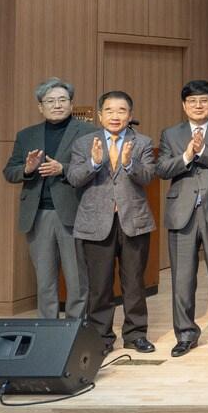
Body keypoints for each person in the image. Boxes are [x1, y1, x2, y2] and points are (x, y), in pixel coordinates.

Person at [66, 91, 156, 354]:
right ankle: (101, 338)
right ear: (100, 114)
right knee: (99, 285)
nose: (115, 116)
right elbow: (73, 177)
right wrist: (94, 162)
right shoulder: (84, 143)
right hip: (95, 223)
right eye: (110, 110)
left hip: (133, 222)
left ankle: (135, 334)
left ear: (130, 115)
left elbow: (149, 175)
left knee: (134, 283)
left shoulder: (142, 142)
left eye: (121, 111)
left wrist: (130, 165)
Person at [155, 80, 208, 356]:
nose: (198, 105)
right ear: (184, 105)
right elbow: (163, 169)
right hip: (182, 213)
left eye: (204, 101)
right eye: (192, 101)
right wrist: (188, 155)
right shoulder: (171, 133)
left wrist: (203, 152)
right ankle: (186, 334)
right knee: (182, 278)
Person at [3, 77, 95, 320]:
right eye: (51, 101)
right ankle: (48, 331)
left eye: (62, 100)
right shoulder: (26, 135)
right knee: (45, 280)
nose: (57, 105)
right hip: (38, 215)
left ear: (71, 104)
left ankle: (76, 330)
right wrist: (27, 168)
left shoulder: (89, 132)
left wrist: (63, 169)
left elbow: (94, 168)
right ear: (40, 107)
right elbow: (9, 172)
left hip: (74, 214)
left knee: (77, 280)